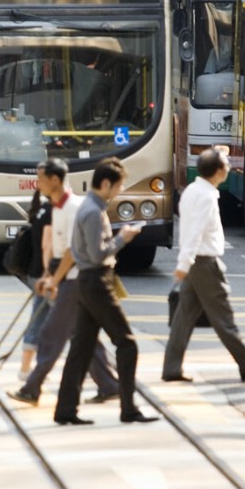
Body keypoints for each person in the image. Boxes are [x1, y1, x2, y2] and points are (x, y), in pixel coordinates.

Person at [52, 158, 157, 426]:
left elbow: (80, 250)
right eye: (119, 186)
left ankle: (65, 409)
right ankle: (129, 408)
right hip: (96, 282)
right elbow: (99, 254)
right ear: (107, 184)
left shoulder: (88, 208)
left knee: (81, 348)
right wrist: (124, 238)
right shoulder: (92, 212)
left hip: (88, 282)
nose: (119, 192)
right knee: (126, 343)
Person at [7, 160, 119, 407]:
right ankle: (110, 385)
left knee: (51, 336)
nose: (38, 185)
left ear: (55, 180)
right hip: (69, 278)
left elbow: (71, 251)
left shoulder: (73, 208)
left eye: (41, 179)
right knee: (82, 335)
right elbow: (56, 251)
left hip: (76, 279)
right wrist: (48, 275)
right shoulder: (57, 208)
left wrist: (54, 280)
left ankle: (31, 388)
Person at [162, 147, 245, 383]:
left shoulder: (192, 190)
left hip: (195, 262)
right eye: (226, 164)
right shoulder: (207, 196)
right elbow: (195, 231)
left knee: (184, 317)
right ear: (218, 171)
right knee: (223, 316)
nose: (230, 167)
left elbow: (188, 229)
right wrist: (185, 262)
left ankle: (171, 367)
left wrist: (185, 262)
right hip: (204, 263)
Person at [12, 179, 54, 381]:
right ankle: (96, 368)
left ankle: (26, 368)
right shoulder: (52, 213)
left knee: (38, 321)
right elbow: (48, 245)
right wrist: (49, 276)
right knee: (73, 325)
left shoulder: (39, 210)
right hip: (45, 275)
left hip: (34, 273)